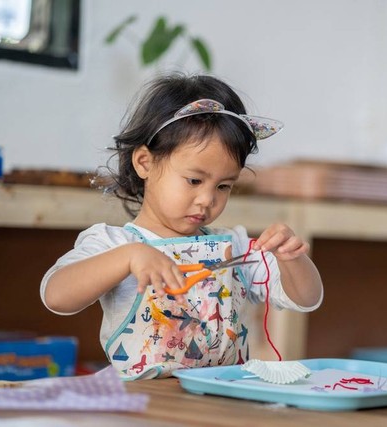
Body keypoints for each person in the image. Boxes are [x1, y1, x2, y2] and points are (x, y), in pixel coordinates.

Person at [40, 73, 323, 380]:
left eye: (224, 186)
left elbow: (305, 299)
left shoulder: (234, 247)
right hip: (142, 402)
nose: (207, 200)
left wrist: (291, 258)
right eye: (194, 180)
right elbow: (56, 296)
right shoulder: (116, 243)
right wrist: (129, 257)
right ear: (145, 163)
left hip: (220, 398)